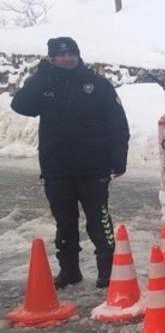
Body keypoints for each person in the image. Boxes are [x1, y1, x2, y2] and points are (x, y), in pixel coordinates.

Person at [10, 37, 129, 289]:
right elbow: (20, 105)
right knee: (65, 222)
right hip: (57, 168)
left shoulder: (96, 84)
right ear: (51, 58)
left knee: (100, 219)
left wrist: (118, 159)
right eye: (61, 55)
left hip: (93, 166)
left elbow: (118, 122)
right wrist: (42, 78)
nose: (67, 58)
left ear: (78, 55)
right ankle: (69, 270)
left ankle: (107, 271)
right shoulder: (44, 85)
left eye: (72, 53)